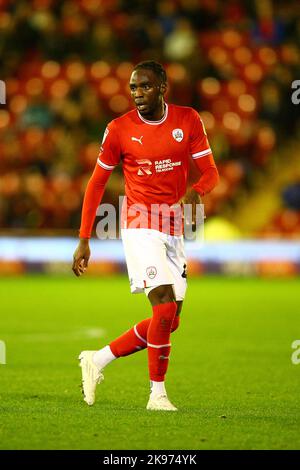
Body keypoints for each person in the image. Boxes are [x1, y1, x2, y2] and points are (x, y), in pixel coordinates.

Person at [72, 60, 219, 411]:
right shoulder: (119, 129)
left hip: (174, 228)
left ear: (163, 86)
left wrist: (198, 189)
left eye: (146, 86)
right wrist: (84, 238)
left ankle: (98, 359)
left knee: (171, 320)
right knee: (164, 306)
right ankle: (157, 395)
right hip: (140, 225)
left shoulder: (188, 120)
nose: (138, 94)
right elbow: (97, 183)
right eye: (134, 88)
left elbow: (211, 171)